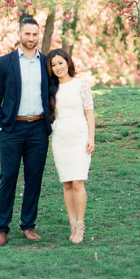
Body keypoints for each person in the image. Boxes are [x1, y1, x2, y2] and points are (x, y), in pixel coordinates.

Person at [0, 18, 52, 247]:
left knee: (34, 179)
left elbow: (52, 94)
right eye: (27, 34)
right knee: (8, 178)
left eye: (35, 34)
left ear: (38, 35)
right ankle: (1, 229)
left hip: (38, 128)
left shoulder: (46, 63)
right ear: (19, 34)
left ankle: (28, 226)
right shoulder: (5, 63)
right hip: (12, 129)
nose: (31, 38)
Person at [46, 48, 95, 244]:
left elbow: (89, 113)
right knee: (67, 183)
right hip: (60, 138)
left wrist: (91, 137)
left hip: (79, 136)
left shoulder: (80, 85)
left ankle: (81, 224)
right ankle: (72, 224)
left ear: (68, 62)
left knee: (78, 182)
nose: (58, 67)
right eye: (53, 65)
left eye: (60, 62)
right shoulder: (51, 89)